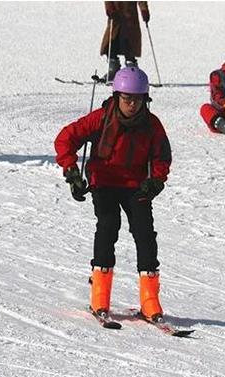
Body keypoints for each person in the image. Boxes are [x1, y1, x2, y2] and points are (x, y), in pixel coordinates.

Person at [54, 67, 172, 323]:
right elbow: (66, 138)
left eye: (137, 99)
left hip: (136, 185)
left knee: (145, 233)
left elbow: (162, 156)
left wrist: (155, 181)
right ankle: (100, 294)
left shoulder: (151, 125)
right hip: (104, 181)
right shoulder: (101, 118)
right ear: (117, 96)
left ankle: (150, 300)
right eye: (127, 98)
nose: (132, 104)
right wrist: (72, 171)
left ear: (145, 99)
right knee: (108, 226)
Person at [100, 1, 150, 82]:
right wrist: (109, 7)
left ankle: (132, 70)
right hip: (115, 18)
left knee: (128, 45)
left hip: (130, 19)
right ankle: (113, 69)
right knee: (111, 43)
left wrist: (144, 10)